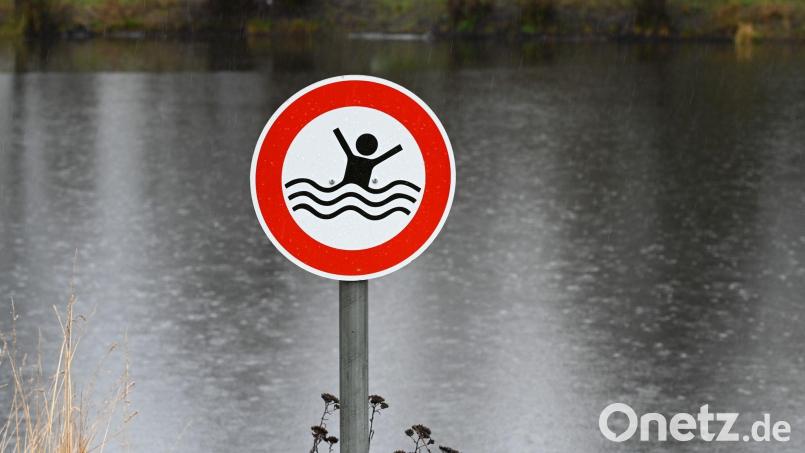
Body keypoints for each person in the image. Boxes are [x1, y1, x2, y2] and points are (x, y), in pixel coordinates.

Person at [333, 128, 402, 189]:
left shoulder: (354, 158)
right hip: (361, 191)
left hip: (345, 188)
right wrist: (398, 148)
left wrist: (337, 131)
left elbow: (344, 145)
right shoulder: (369, 163)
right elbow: (386, 156)